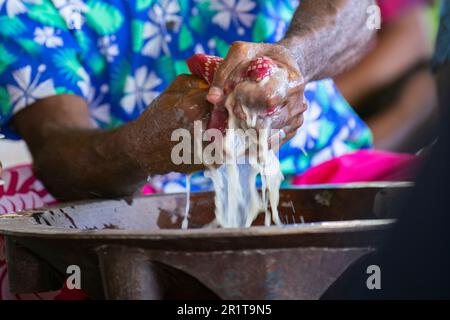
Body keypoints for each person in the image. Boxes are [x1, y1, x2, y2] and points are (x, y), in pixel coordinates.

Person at [0, 0, 375, 299]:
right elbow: (57, 152)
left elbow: (356, 15)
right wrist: (142, 145)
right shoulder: (31, 8)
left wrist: (292, 63)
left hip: (326, 169)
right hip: (154, 210)